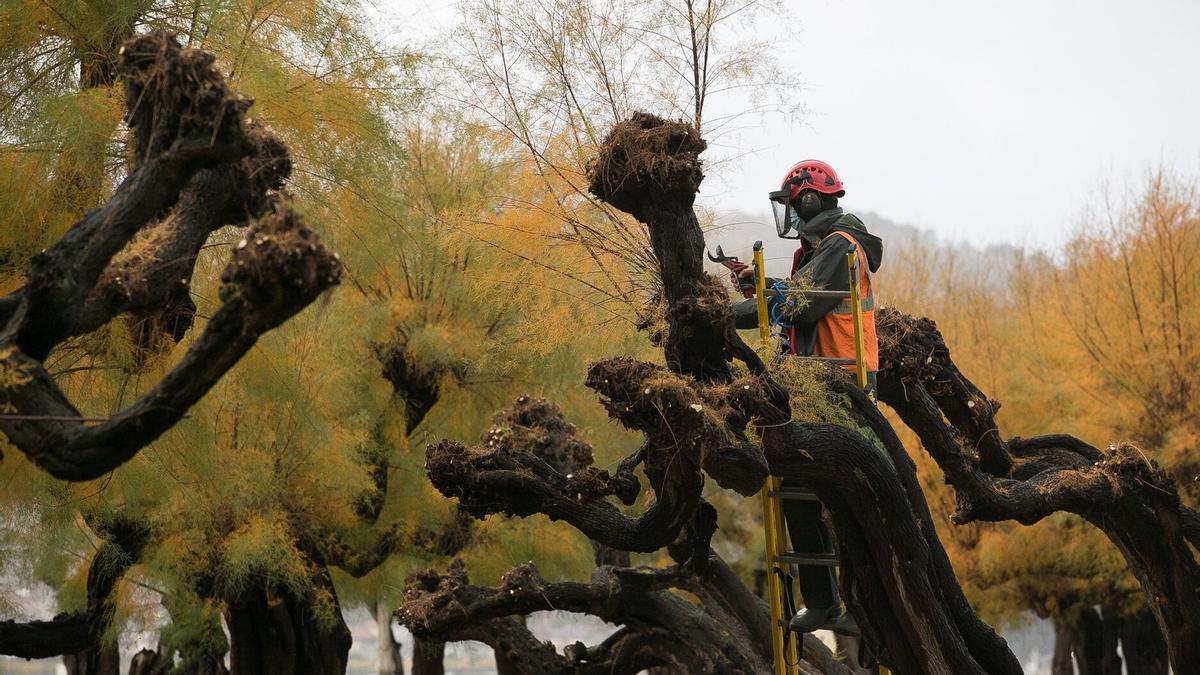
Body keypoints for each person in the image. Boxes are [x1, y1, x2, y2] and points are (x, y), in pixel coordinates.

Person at [729, 159, 884, 634]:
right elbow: (799, 295)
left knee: (844, 497)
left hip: (841, 380)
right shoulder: (822, 249)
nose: (792, 216)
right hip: (817, 379)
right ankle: (823, 603)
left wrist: (728, 315)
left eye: (795, 205)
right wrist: (760, 287)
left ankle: (864, 606)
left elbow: (800, 305)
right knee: (799, 492)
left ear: (813, 199)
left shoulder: (840, 244)